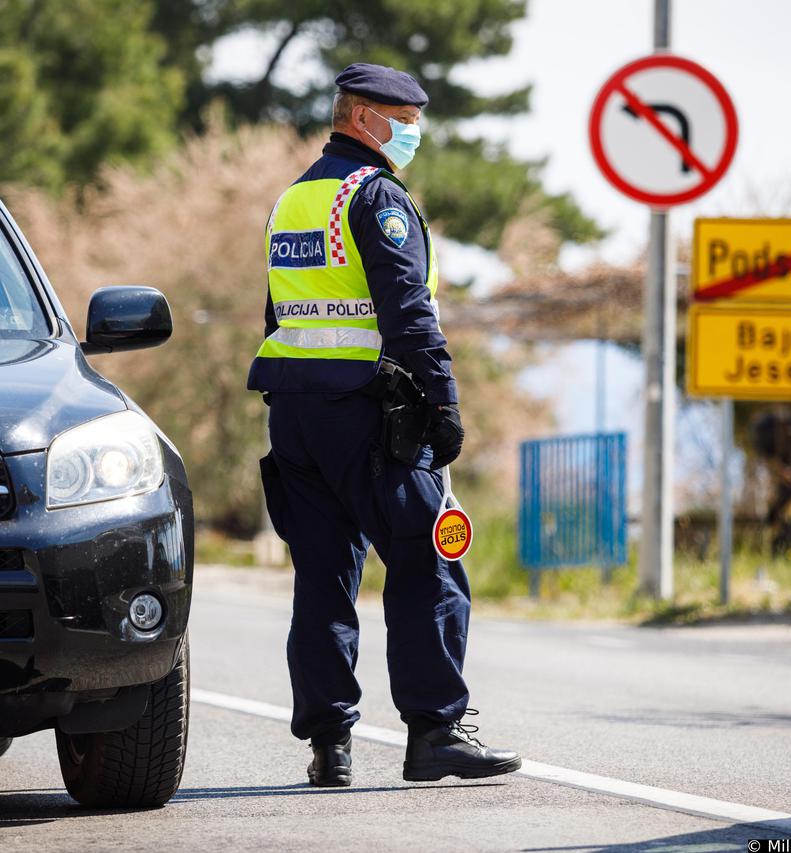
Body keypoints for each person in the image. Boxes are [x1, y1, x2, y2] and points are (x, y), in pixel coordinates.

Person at [248, 63, 521, 787]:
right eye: (404, 119)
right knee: (428, 560)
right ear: (362, 117)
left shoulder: (294, 200)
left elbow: (281, 313)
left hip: (297, 414)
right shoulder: (374, 198)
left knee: (325, 577)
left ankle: (329, 745)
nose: (414, 132)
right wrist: (444, 403)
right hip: (371, 415)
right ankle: (435, 731)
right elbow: (408, 312)